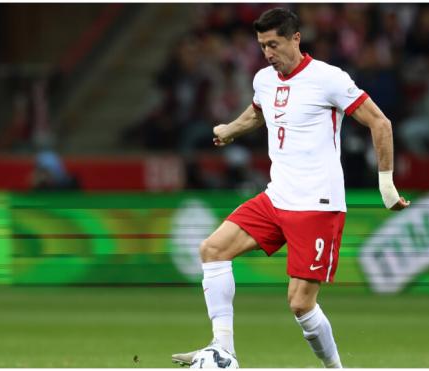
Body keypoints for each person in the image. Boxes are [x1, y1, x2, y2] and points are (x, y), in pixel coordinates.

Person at [172, 8, 409, 368]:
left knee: (300, 303)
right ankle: (223, 351)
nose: (268, 53)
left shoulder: (328, 78)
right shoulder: (264, 80)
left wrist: (387, 186)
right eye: (262, 46)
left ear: (295, 39)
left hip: (317, 203)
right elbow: (257, 113)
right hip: (276, 197)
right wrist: (230, 129)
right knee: (213, 249)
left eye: (274, 44)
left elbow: (380, 122)